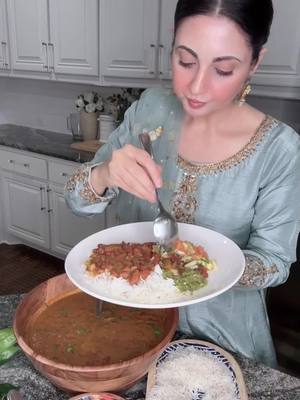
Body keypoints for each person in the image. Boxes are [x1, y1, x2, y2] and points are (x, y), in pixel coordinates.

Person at [65, 0, 300, 367]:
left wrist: (200, 263)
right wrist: (105, 173)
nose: (196, 86)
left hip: (227, 340)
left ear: (255, 62)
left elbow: (275, 263)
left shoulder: (280, 150)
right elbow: (76, 201)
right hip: (132, 326)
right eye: (185, 61)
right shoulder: (149, 110)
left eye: (223, 69)